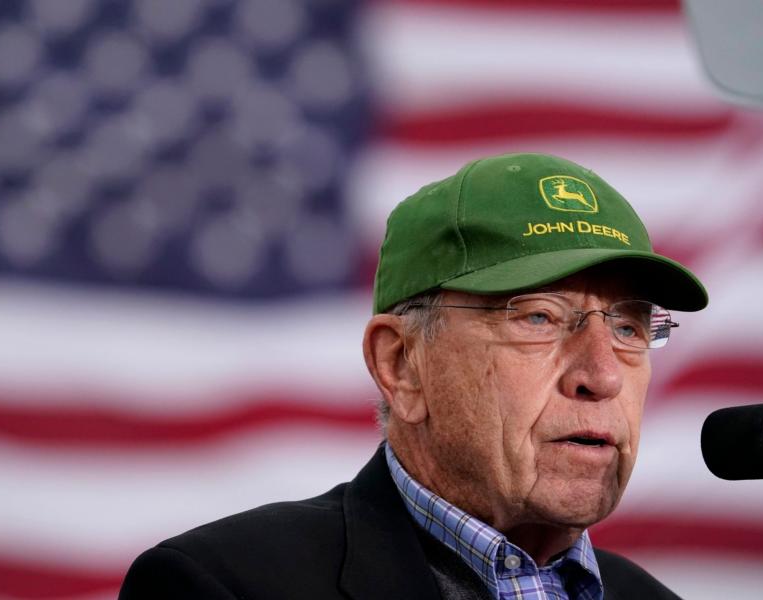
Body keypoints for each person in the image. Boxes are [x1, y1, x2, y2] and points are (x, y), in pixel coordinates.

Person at [119, 153, 707, 599]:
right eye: (539, 317)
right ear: (400, 366)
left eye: (629, 328)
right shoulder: (225, 585)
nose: (602, 375)